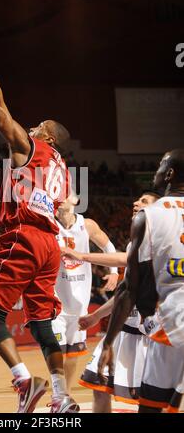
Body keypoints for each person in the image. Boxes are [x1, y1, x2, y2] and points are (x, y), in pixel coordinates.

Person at [0, 21, 78, 413]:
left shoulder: (36, 150)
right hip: (49, 248)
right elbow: (49, 206)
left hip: (27, 241)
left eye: (39, 126)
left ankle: (24, 381)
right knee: (42, 324)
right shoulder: (61, 167)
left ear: (48, 139)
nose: (31, 126)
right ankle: (62, 398)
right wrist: (8, 205)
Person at [98, 150, 184, 413]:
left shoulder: (150, 216)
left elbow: (129, 288)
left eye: (160, 166)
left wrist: (108, 342)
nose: (156, 171)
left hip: (171, 325)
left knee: (151, 407)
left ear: (169, 174)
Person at [62, 192, 159, 412]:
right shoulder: (138, 237)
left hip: (148, 334)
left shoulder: (160, 239)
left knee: (148, 400)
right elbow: (125, 292)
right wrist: (96, 316)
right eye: (137, 199)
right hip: (122, 329)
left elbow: (126, 259)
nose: (136, 202)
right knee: (99, 386)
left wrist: (82, 256)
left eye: (144, 201)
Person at [52, 192, 119, 394]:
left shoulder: (86, 224)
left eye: (65, 194)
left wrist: (114, 272)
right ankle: (57, 393)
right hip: (54, 300)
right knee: (56, 351)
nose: (59, 197)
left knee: (72, 353)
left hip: (80, 302)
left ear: (75, 200)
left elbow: (108, 246)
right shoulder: (48, 224)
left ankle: (65, 394)